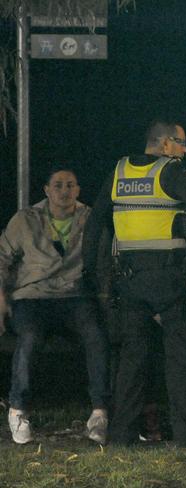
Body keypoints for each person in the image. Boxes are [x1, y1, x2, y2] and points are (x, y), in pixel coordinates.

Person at [82, 120, 186, 447]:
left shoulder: (119, 170)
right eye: (181, 143)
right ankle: (185, 440)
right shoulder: (170, 171)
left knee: (131, 362)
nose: (185, 150)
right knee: (181, 360)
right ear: (166, 144)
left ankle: (120, 437)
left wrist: (92, 273)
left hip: (129, 281)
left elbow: (97, 221)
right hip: (169, 280)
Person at [0, 167, 110, 445]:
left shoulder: (90, 218)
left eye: (70, 185)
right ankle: (18, 408)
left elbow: (106, 259)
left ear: (78, 190)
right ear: (47, 190)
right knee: (29, 337)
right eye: (58, 185)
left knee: (95, 334)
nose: (64, 191)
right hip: (33, 296)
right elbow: (2, 257)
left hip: (73, 295)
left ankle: (99, 412)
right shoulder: (26, 219)